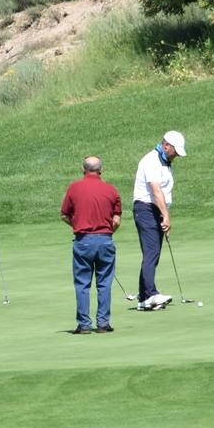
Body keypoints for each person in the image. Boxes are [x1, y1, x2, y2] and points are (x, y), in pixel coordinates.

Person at [60, 156, 122, 334]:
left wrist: (77, 224)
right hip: (105, 240)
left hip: (83, 240)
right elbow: (116, 220)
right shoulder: (111, 190)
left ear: (83, 169)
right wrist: (107, 233)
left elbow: (64, 215)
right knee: (104, 283)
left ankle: (84, 324)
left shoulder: (74, 188)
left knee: (82, 284)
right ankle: (103, 323)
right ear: (101, 170)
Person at [131, 130, 186, 310]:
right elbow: (155, 190)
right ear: (165, 145)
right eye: (175, 151)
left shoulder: (165, 161)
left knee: (152, 253)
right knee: (151, 252)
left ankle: (143, 298)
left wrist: (164, 213)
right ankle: (150, 294)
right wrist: (166, 215)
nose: (176, 154)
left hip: (155, 210)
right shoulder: (151, 160)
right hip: (146, 209)